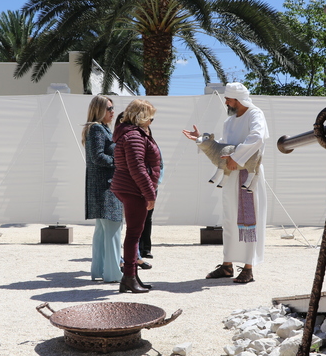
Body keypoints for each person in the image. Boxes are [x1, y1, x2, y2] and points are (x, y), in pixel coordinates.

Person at [182, 82, 269, 283]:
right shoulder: (229, 122)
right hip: (231, 175)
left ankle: (248, 268)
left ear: (238, 99)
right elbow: (221, 146)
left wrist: (236, 157)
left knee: (250, 220)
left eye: (228, 99)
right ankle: (227, 265)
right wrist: (201, 139)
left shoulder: (255, 114)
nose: (226, 102)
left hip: (248, 174)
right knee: (230, 219)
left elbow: (257, 138)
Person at [111, 99, 162, 293]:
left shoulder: (132, 133)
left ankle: (132, 277)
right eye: (150, 118)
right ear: (141, 117)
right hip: (134, 189)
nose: (151, 122)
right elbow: (138, 168)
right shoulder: (133, 136)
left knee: (135, 233)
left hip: (131, 187)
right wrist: (150, 194)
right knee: (133, 234)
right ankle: (129, 278)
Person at [83, 95, 123, 283]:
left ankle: (99, 271)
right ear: (99, 110)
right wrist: (119, 162)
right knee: (113, 229)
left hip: (103, 186)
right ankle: (113, 274)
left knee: (102, 231)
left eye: (113, 107)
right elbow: (97, 156)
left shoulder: (101, 128)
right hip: (106, 186)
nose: (113, 111)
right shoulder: (97, 129)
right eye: (109, 108)